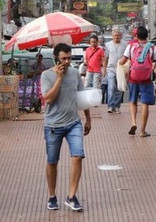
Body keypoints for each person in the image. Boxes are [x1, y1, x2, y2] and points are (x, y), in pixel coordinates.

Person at [41, 43, 91, 212]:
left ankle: (71, 196)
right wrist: (59, 79)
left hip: (73, 123)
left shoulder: (75, 74)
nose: (67, 61)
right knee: (52, 161)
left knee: (78, 156)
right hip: (53, 125)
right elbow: (48, 99)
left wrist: (88, 118)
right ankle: (52, 195)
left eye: (69, 58)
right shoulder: (46, 75)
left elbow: (82, 98)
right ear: (56, 59)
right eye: (64, 58)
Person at [119, 26, 156, 137]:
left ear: (136, 36)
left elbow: (122, 61)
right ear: (147, 35)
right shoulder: (152, 47)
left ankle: (133, 122)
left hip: (133, 77)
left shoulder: (131, 46)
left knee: (132, 101)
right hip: (146, 79)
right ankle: (142, 130)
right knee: (145, 103)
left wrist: (122, 63)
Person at [103, 29, 128, 114]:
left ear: (120, 36)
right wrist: (104, 70)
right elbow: (105, 58)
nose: (117, 37)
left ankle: (117, 106)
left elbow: (128, 57)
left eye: (118, 35)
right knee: (111, 88)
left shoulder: (125, 44)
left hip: (121, 69)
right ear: (112, 36)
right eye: (115, 35)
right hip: (111, 69)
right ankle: (110, 106)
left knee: (119, 88)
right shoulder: (108, 45)